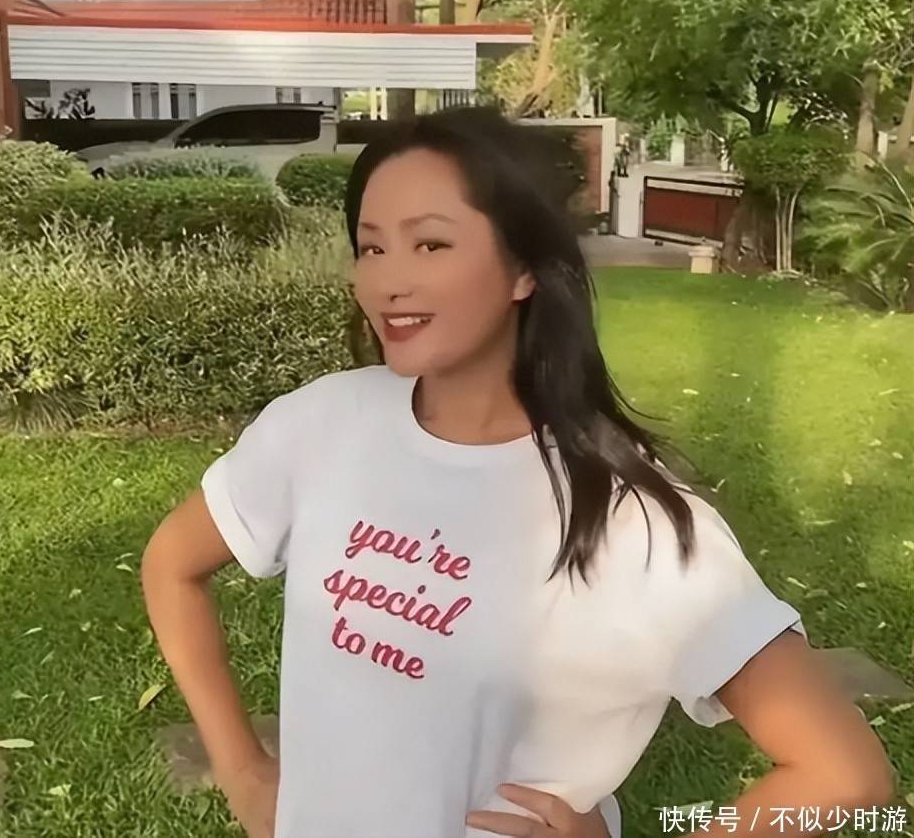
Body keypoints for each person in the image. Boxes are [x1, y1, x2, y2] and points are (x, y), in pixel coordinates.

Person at [141, 107, 895, 838]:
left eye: (430, 244)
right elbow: (172, 565)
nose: (388, 281)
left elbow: (842, 772)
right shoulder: (322, 424)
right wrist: (243, 770)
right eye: (371, 248)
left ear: (524, 270)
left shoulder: (633, 522)